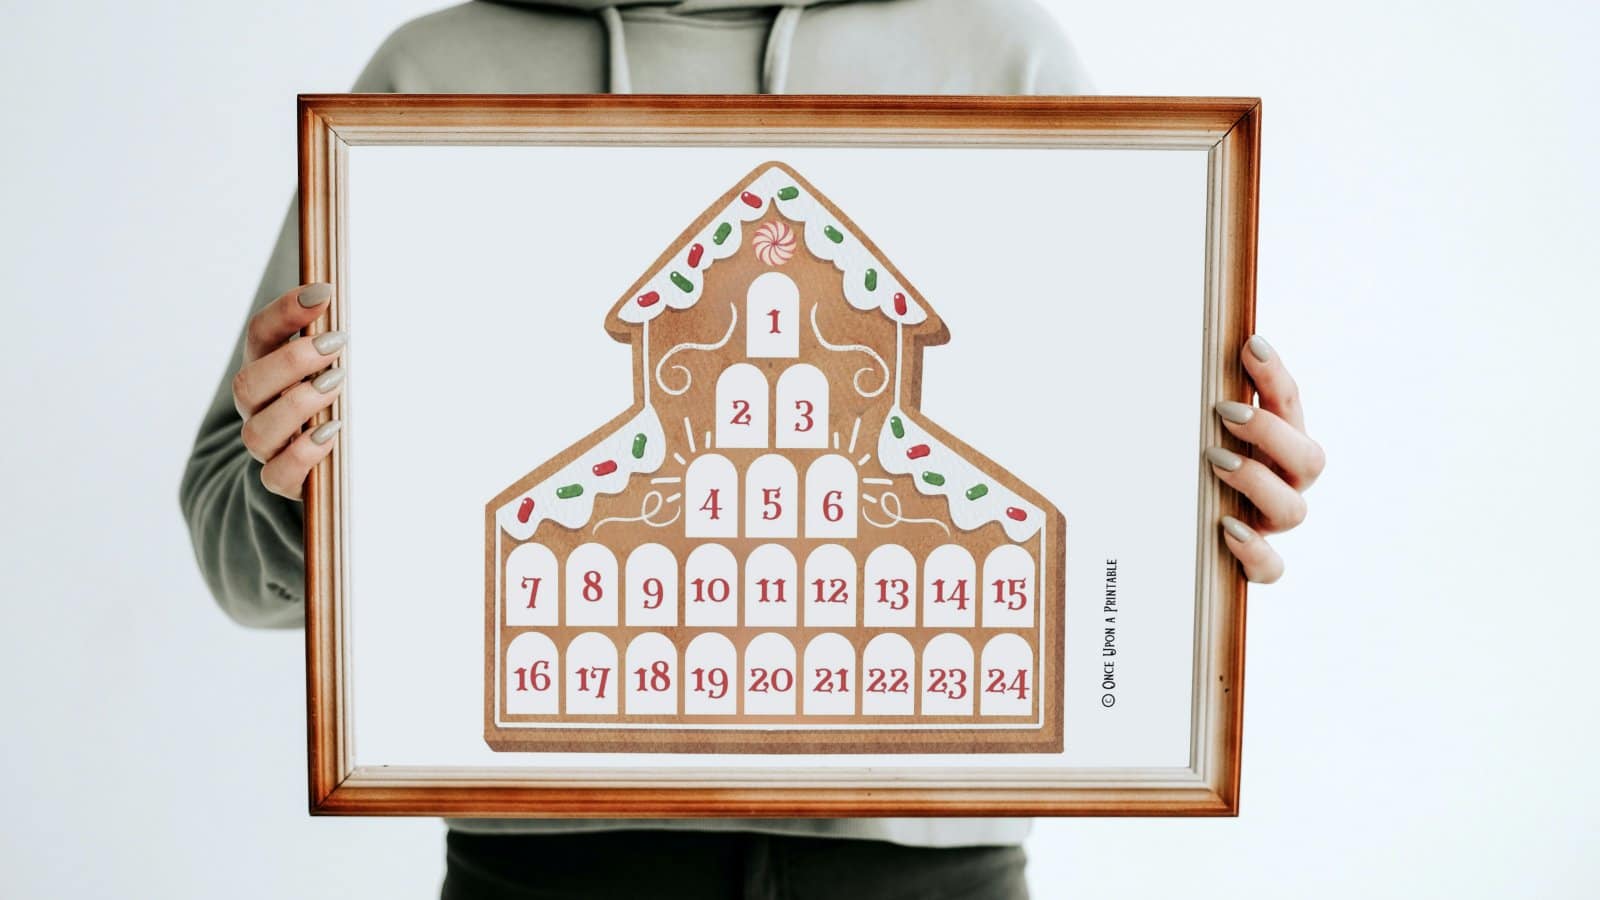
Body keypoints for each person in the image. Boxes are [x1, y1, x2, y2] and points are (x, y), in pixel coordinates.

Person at [180, 2, 1324, 897]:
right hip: (545, 876)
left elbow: (1102, 466)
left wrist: (1218, 513)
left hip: (925, 876)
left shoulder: (1000, 53)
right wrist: (297, 487)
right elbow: (235, 542)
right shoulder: (431, 75)